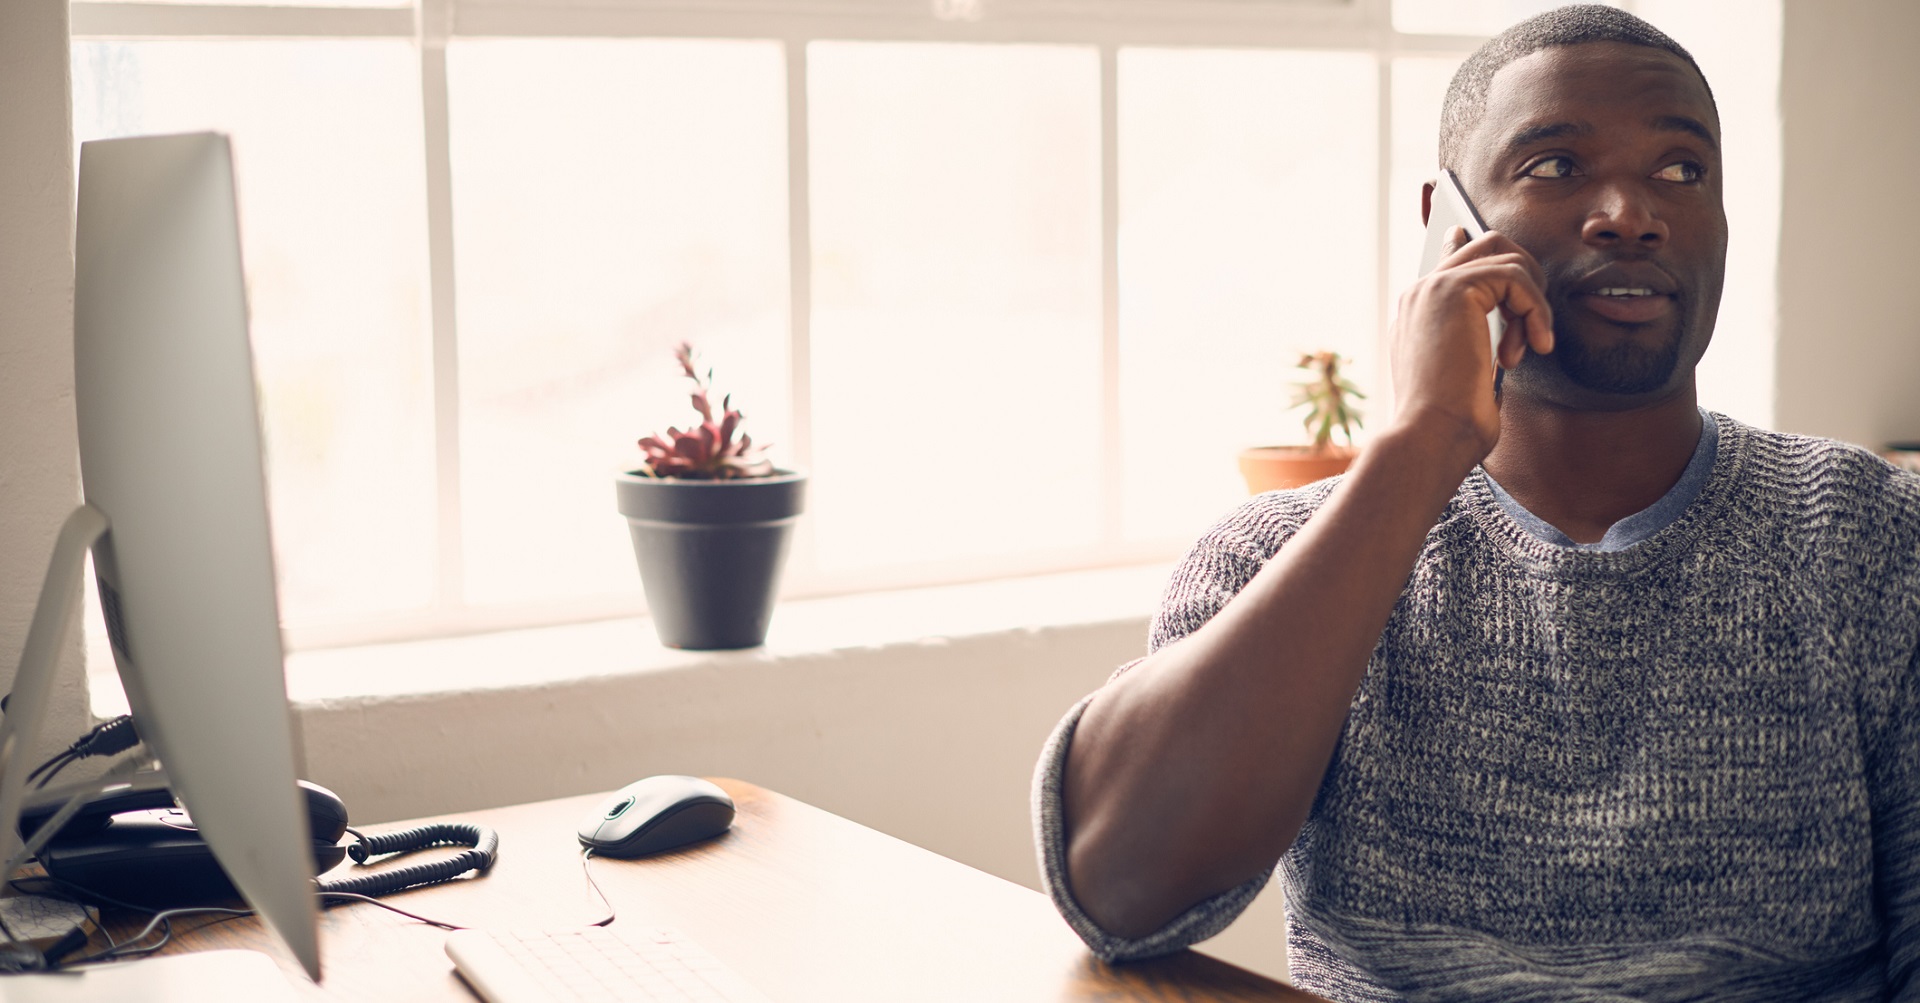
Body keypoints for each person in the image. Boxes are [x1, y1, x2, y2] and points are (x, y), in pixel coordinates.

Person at [1031, 6, 1920, 1001]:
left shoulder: (1873, 535)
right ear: (1449, 224)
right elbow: (1116, 892)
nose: (1630, 210)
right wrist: (1419, 447)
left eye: (1682, 169)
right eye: (1555, 166)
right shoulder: (1275, 553)